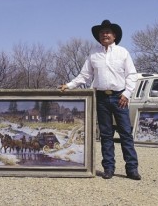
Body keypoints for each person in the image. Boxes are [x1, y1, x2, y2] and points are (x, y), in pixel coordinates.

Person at [59, 20, 141, 180]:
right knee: (106, 134)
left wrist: (127, 93)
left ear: (114, 35)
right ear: (99, 36)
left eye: (108, 32)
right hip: (101, 98)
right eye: (102, 32)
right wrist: (68, 85)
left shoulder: (123, 52)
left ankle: (132, 169)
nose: (105, 34)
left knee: (125, 133)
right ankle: (108, 168)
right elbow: (85, 76)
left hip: (120, 97)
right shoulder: (93, 54)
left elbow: (132, 75)